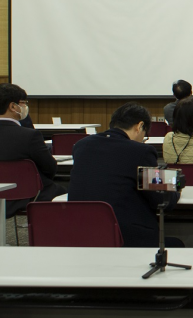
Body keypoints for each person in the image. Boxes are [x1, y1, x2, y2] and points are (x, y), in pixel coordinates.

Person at [68, 103, 181, 247]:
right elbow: (160, 199)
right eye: (145, 135)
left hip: (82, 232)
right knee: (177, 245)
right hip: (126, 237)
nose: (143, 139)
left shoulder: (81, 145)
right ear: (139, 126)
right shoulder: (140, 151)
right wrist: (176, 186)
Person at [0, 83, 65, 215]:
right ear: (12, 106)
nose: (25, 107)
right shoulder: (30, 135)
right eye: (23, 103)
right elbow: (50, 167)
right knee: (63, 190)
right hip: (30, 194)